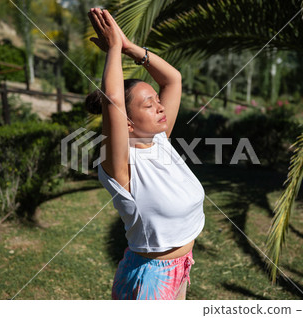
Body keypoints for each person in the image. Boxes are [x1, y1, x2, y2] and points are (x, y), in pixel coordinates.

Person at [87, 7, 205, 300]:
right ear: (126, 123)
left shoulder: (160, 140)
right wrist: (113, 48)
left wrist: (129, 48)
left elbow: (173, 79)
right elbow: (113, 98)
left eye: (157, 100)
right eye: (148, 104)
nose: (160, 106)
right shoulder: (121, 165)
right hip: (151, 275)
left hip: (180, 267)